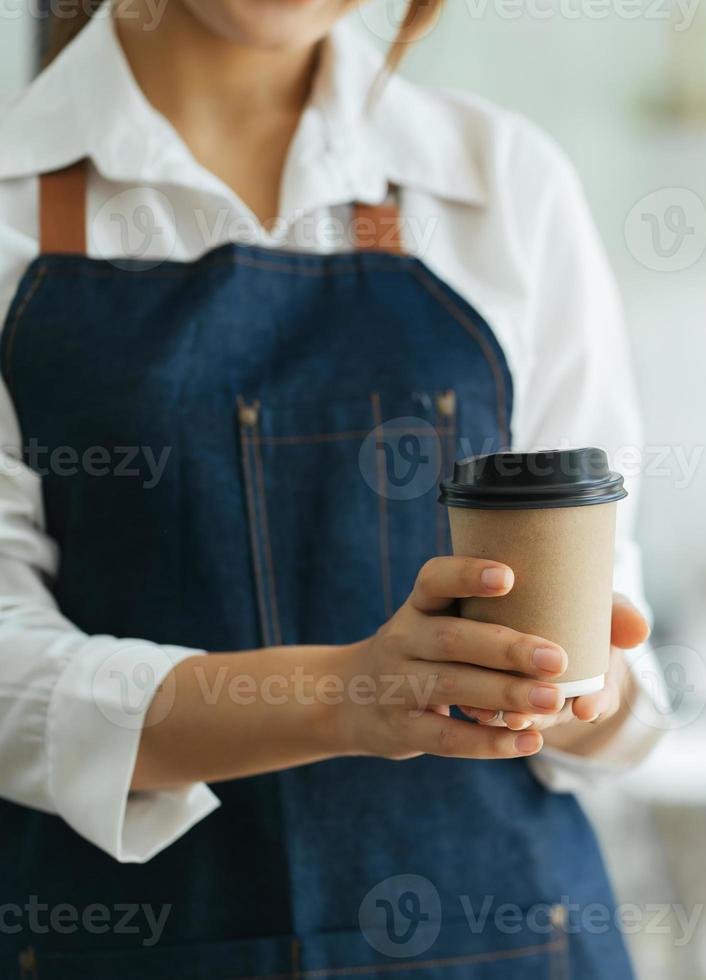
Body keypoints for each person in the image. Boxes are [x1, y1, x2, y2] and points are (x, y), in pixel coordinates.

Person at [0, 0, 659, 975]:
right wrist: (346, 694)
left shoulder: (502, 184)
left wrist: (572, 682)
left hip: (504, 939)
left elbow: (612, 639)